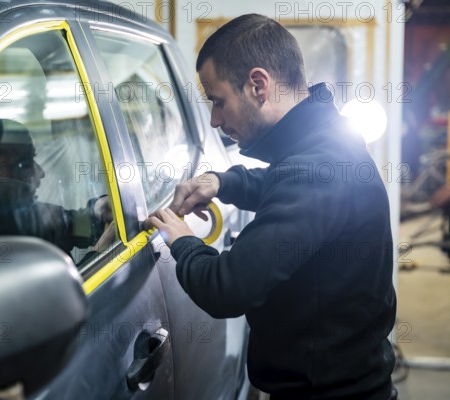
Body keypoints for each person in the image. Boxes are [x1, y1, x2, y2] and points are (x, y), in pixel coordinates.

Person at [145, 14, 398, 400]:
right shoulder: (324, 143)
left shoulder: (315, 168)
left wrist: (180, 240)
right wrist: (223, 182)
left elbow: (225, 288)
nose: (213, 120)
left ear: (258, 86)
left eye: (218, 101)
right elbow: (285, 186)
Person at [0, 118, 115, 306]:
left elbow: (73, 224)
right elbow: (46, 321)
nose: (40, 173)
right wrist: (101, 256)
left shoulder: (30, 216)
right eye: (23, 164)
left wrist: (96, 211)